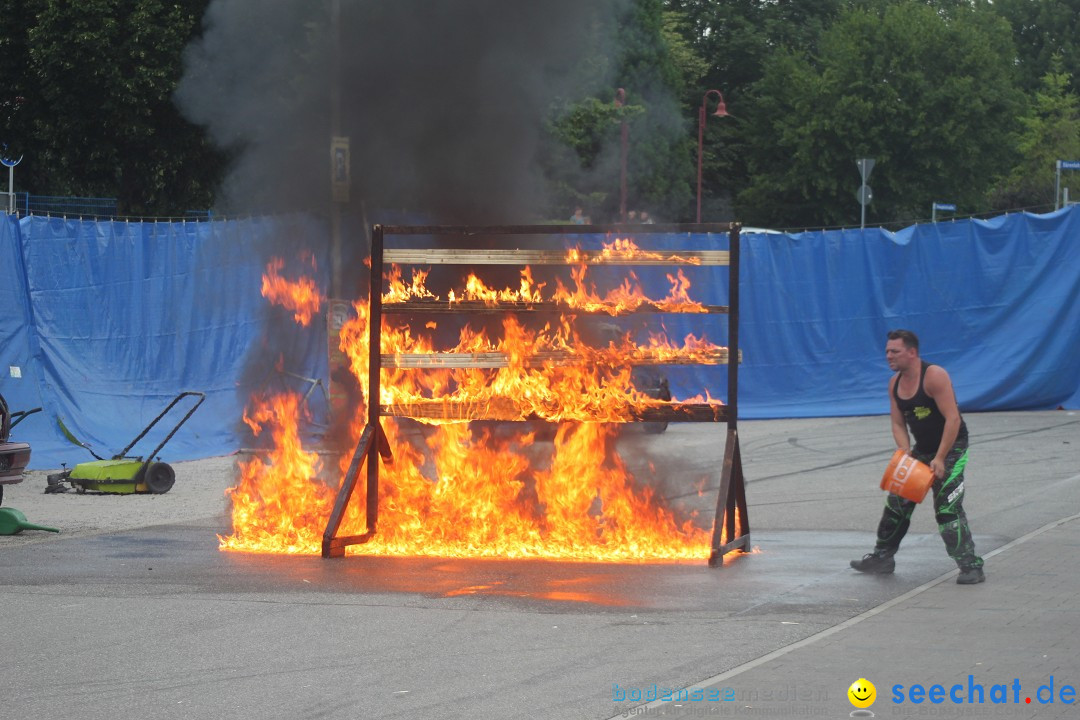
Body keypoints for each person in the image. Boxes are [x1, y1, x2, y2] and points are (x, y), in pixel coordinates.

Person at [851, 329, 985, 584]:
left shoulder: (934, 376)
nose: (888, 356)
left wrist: (941, 458)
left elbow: (953, 419)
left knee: (947, 508)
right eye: (887, 351)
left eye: (895, 351)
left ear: (912, 353)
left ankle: (971, 566)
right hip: (922, 450)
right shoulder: (894, 383)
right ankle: (883, 557)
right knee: (897, 504)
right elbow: (898, 424)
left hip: (951, 447)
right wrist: (905, 453)